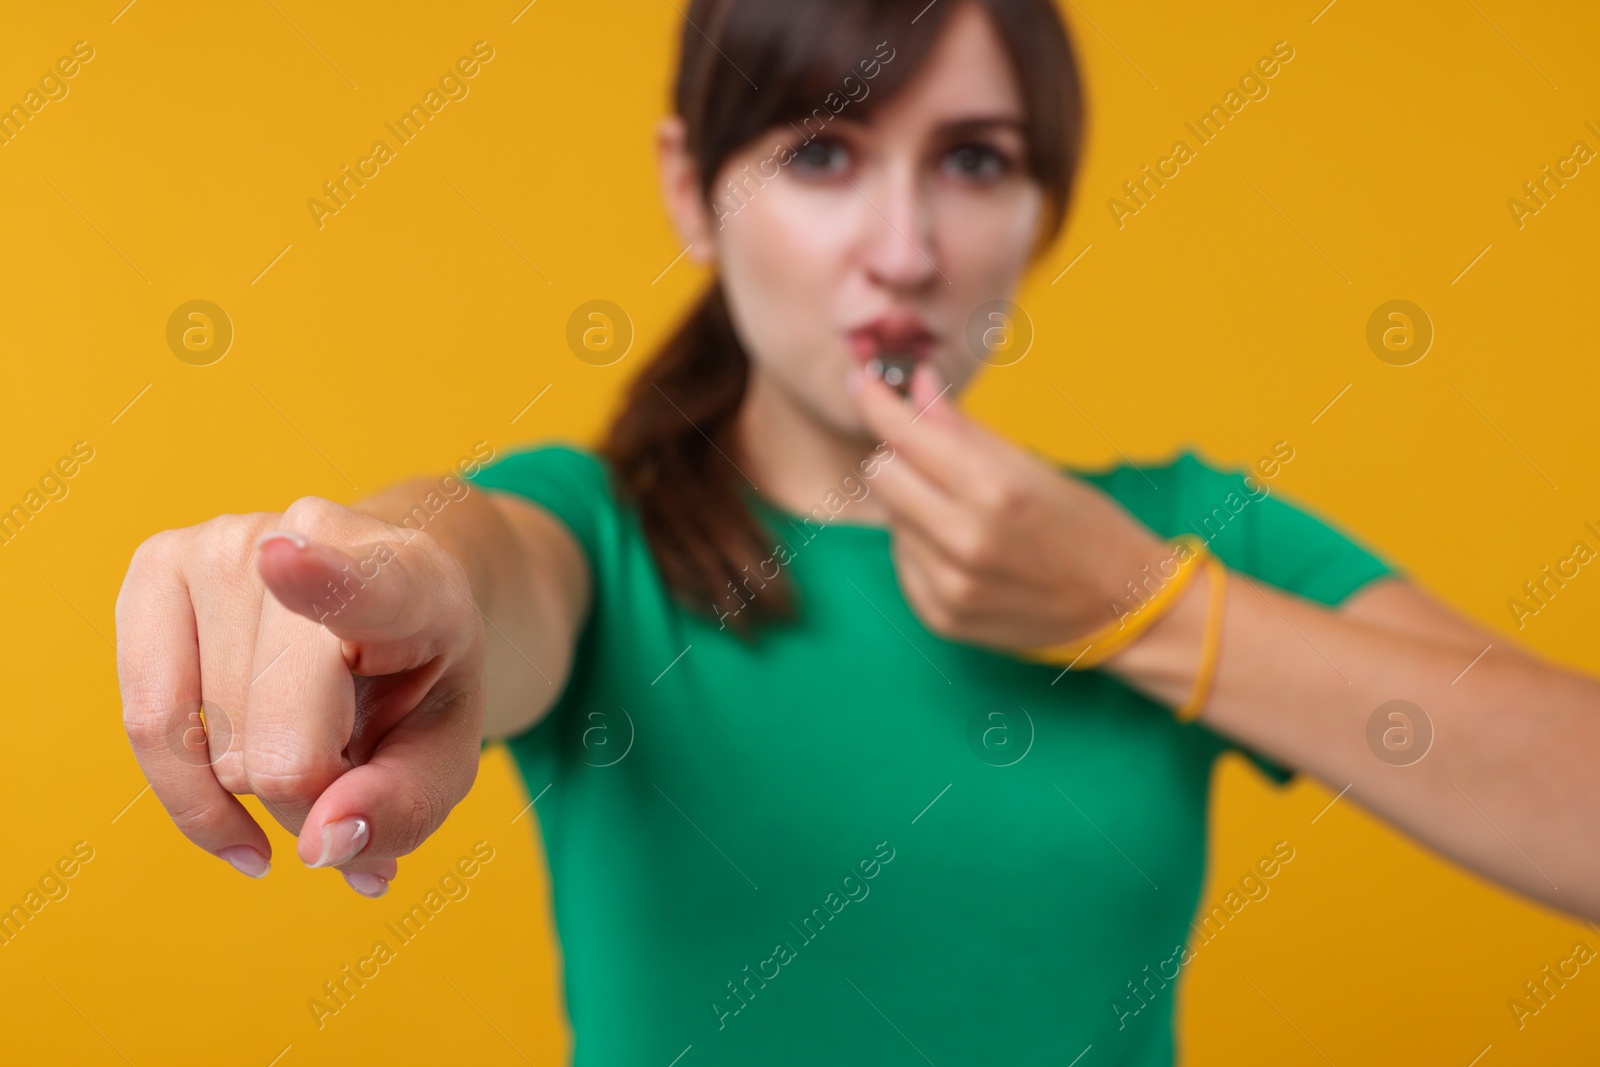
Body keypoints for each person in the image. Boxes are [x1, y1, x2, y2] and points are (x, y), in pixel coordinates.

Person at [114, 0, 1600, 1062]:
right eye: (822, 155)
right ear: (694, 190)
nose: (905, 249)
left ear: (1040, 207)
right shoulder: (601, 537)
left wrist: (1151, 612)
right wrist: (365, 572)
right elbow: (477, 564)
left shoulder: (1184, 538)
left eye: (973, 160)